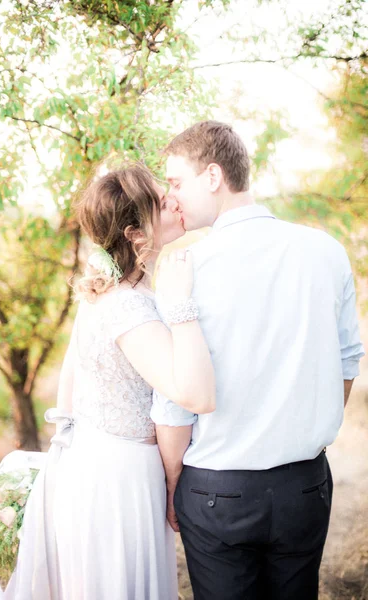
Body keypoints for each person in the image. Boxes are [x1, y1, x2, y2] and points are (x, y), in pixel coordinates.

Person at [152, 120, 366, 600]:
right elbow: (348, 362)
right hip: (305, 485)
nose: (173, 197)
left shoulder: (186, 270)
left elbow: (174, 402)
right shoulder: (326, 252)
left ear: (213, 176)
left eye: (176, 182)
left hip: (215, 492)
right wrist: (301, 422)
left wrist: (171, 484)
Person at [0, 164, 215, 600]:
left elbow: (69, 384)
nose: (174, 199)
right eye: (160, 200)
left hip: (96, 465)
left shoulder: (111, 295)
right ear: (137, 235)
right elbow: (193, 394)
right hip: (119, 482)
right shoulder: (129, 309)